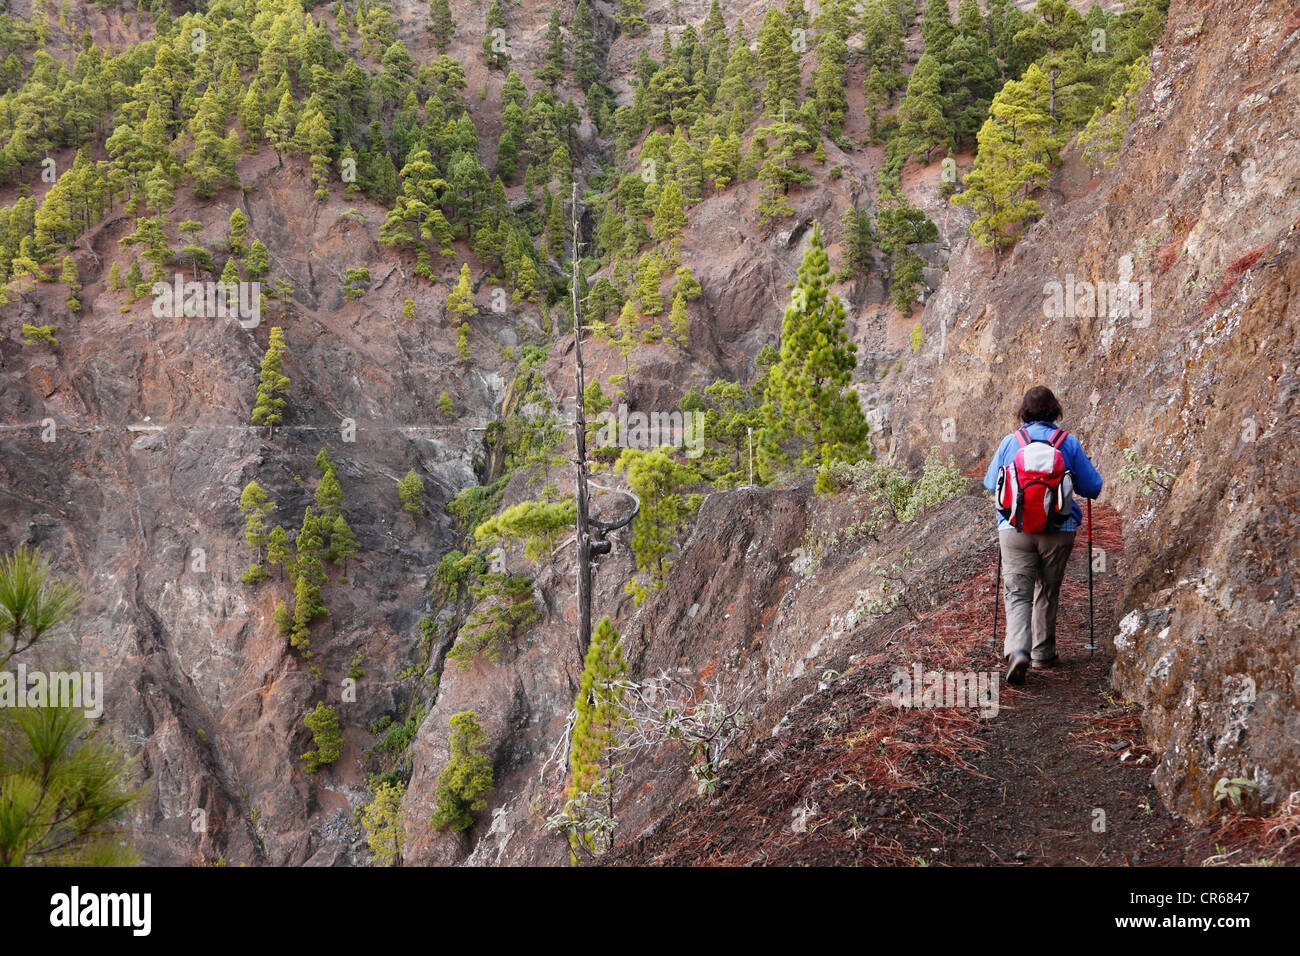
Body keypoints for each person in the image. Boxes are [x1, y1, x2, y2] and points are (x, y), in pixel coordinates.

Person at [983, 386, 1103, 685]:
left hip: (1015, 529)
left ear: (1023, 411)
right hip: (1058, 530)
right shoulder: (1069, 443)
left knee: (1017, 591)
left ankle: (1018, 650)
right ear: (1055, 411)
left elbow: (989, 483)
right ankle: (1043, 654)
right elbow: (1093, 487)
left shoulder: (1011, 442)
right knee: (1047, 590)